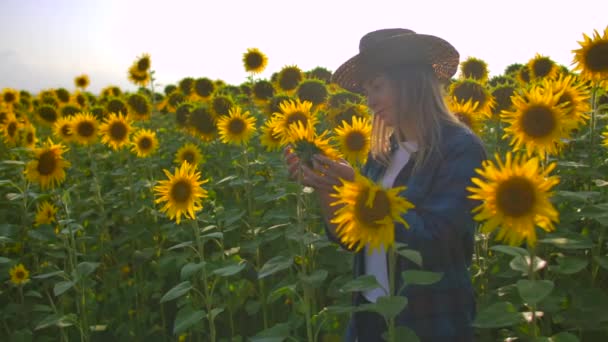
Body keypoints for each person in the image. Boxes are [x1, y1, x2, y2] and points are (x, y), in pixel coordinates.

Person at [285, 28, 486, 341]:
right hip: (372, 315)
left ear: (411, 84)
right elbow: (353, 239)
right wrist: (327, 187)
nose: (370, 101)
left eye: (377, 87)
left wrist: (361, 187)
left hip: (431, 319)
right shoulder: (382, 155)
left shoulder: (459, 148)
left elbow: (436, 237)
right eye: (367, 91)